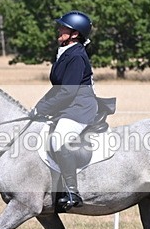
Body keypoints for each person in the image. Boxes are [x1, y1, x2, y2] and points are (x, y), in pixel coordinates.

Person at [29, 11, 98, 211]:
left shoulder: (76, 56)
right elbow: (57, 88)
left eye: (63, 28)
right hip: (68, 107)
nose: (59, 30)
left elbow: (68, 91)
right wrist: (37, 108)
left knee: (59, 139)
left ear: (75, 33)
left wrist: (43, 108)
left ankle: (72, 191)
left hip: (80, 108)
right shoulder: (66, 52)